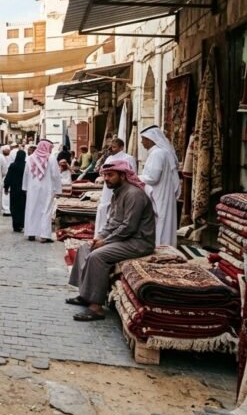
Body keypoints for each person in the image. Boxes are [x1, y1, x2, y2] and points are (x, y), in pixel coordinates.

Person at [67, 161, 156, 321]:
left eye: (110, 175)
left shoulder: (133, 194)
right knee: (85, 248)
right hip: (124, 238)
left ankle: (96, 307)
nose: (106, 178)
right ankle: (85, 295)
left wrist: (106, 242)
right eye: (105, 175)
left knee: (97, 256)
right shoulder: (119, 192)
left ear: (122, 175)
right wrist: (99, 237)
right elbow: (113, 222)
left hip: (138, 241)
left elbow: (129, 226)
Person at [140, 126, 181, 247]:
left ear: (150, 139)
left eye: (143, 139)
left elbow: (153, 178)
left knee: (161, 221)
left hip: (159, 194)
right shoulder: (159, 153)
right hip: (161, 193)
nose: (142, 142)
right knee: (164, 221)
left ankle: (161, 248)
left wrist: (136, 177)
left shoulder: (157, 154)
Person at [93, 138, 136, 238]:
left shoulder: (128, 158)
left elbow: (132, 174)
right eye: (111, 147)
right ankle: (101, 233)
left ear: (121, 147)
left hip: (122, 187)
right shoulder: (109, 158)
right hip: (108, 188)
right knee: (104, 206)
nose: (112, 149)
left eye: (114, 147)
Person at [23, 140, 62, 243]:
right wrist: (58, 190)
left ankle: (31, 233)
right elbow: (56, 175)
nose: (51, 149)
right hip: (47, 188)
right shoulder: (51, 158)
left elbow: (26, 175)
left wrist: (25, 188)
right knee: (46, 210)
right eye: (50, 147)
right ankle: (44, 236)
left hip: (32, 188)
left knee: (32, 209)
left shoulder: (30, 158)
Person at [4, 149, 27, 232]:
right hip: (24, 191)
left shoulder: (13, 165)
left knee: (14, 207)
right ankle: (22, 224)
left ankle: (16, 225)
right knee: (22, 208)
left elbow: (8, 177)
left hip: (14, 190)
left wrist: (6, 187)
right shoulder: (26, 166)